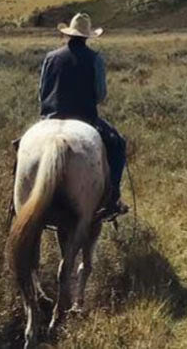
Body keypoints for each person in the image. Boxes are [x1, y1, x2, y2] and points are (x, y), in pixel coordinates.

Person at [38, 13, 128, 219]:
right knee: (118, 144)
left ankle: (15, 203)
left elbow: (42, 92)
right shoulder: (95, 59)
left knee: (22, 147)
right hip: (85, 118)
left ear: (68, 34)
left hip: (50, 118)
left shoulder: (50, 58)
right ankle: (112, 197)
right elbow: (101, 94)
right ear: (87, 37)